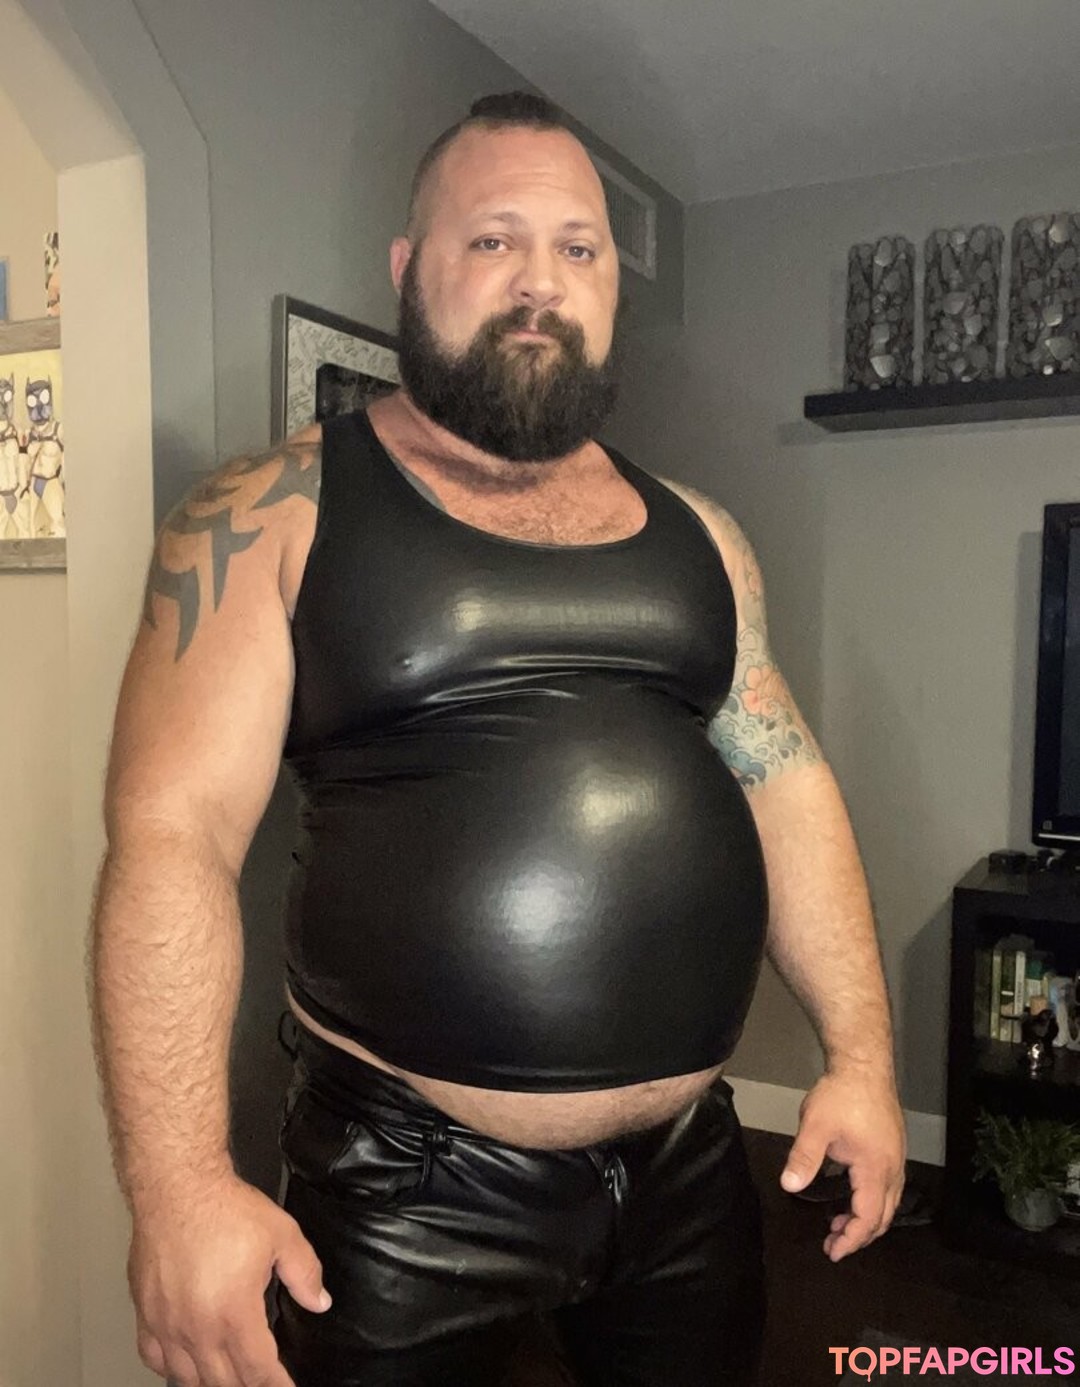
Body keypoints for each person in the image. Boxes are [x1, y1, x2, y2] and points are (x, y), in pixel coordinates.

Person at [90, 91, 906, 1387]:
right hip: (410, 1191)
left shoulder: (702, 534)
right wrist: (178, 1184)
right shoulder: (271, 511)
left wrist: (862, 1060)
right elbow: (171, 836)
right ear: (410, 268)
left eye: (579, 246)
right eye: (494, 239)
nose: (542, 278)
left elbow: (786, 780)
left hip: (689, 1173)